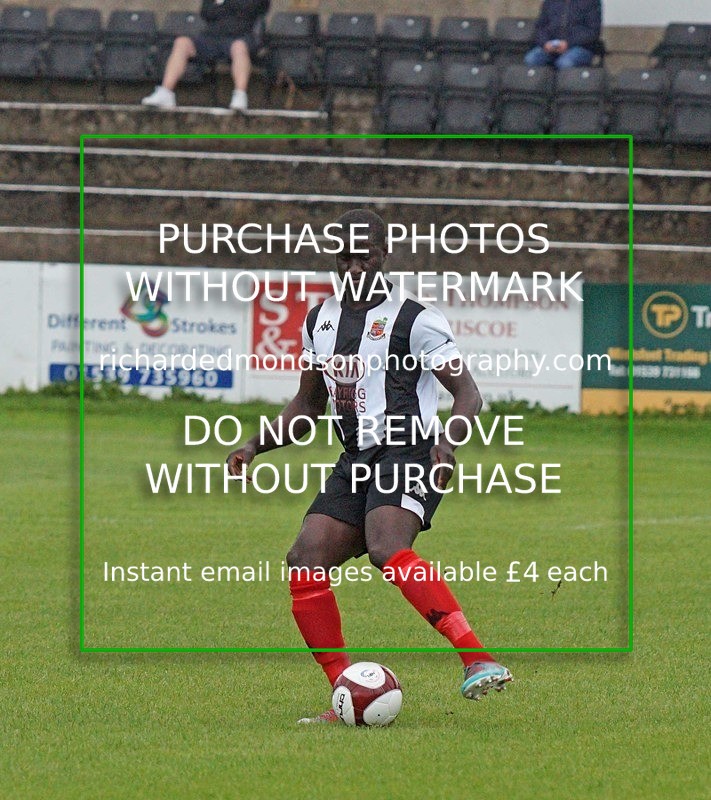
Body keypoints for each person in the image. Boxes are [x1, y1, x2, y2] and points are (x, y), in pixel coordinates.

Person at [226, 210, 513, 724]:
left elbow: (468, 394)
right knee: (305, 559)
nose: (355, 267)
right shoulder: (319, 320)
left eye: (366, 256)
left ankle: (478, 658)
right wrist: (253, 446)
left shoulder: (415, 319)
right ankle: (346, 694)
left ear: (384, 255)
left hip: (410, 451)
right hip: (355, 459)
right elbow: (307, 406)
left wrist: (447, 444)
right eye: (346, 258)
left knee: (386, 547)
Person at [142, 0, 270, 111]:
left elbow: (250, 8)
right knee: (182, 42)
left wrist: (224, 4)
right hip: (211, 37)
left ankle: (240, 94)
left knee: (239, 47)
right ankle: (166, 91)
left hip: (241, 35)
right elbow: (206, 11)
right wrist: (229, 7)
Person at [524, 0, 602, 69]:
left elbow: (593, 32)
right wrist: (545, 43)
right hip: (551, 47)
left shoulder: (591, 2)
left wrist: (568, 43)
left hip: (580, 47)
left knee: (565, 63)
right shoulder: (549, 2)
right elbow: (540, 27)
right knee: (531, 59)